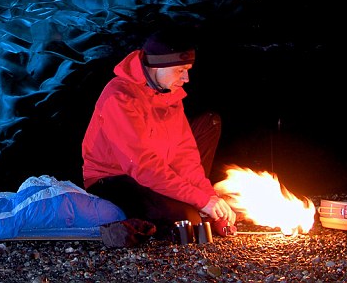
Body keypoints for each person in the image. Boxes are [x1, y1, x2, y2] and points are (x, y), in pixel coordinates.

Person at [81, 29, 236, 241]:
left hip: (152, 173)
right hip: (112, 179)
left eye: (187, 69)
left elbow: (185, 157)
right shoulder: (120, 97)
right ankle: (126, 226)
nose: (186, 78)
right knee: (185, 221)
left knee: (193, 217)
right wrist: (200, 201)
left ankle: (192, 212)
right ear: (157, 66)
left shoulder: (169, 93)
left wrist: (210, 198)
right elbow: (143, 166)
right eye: (180, 70)